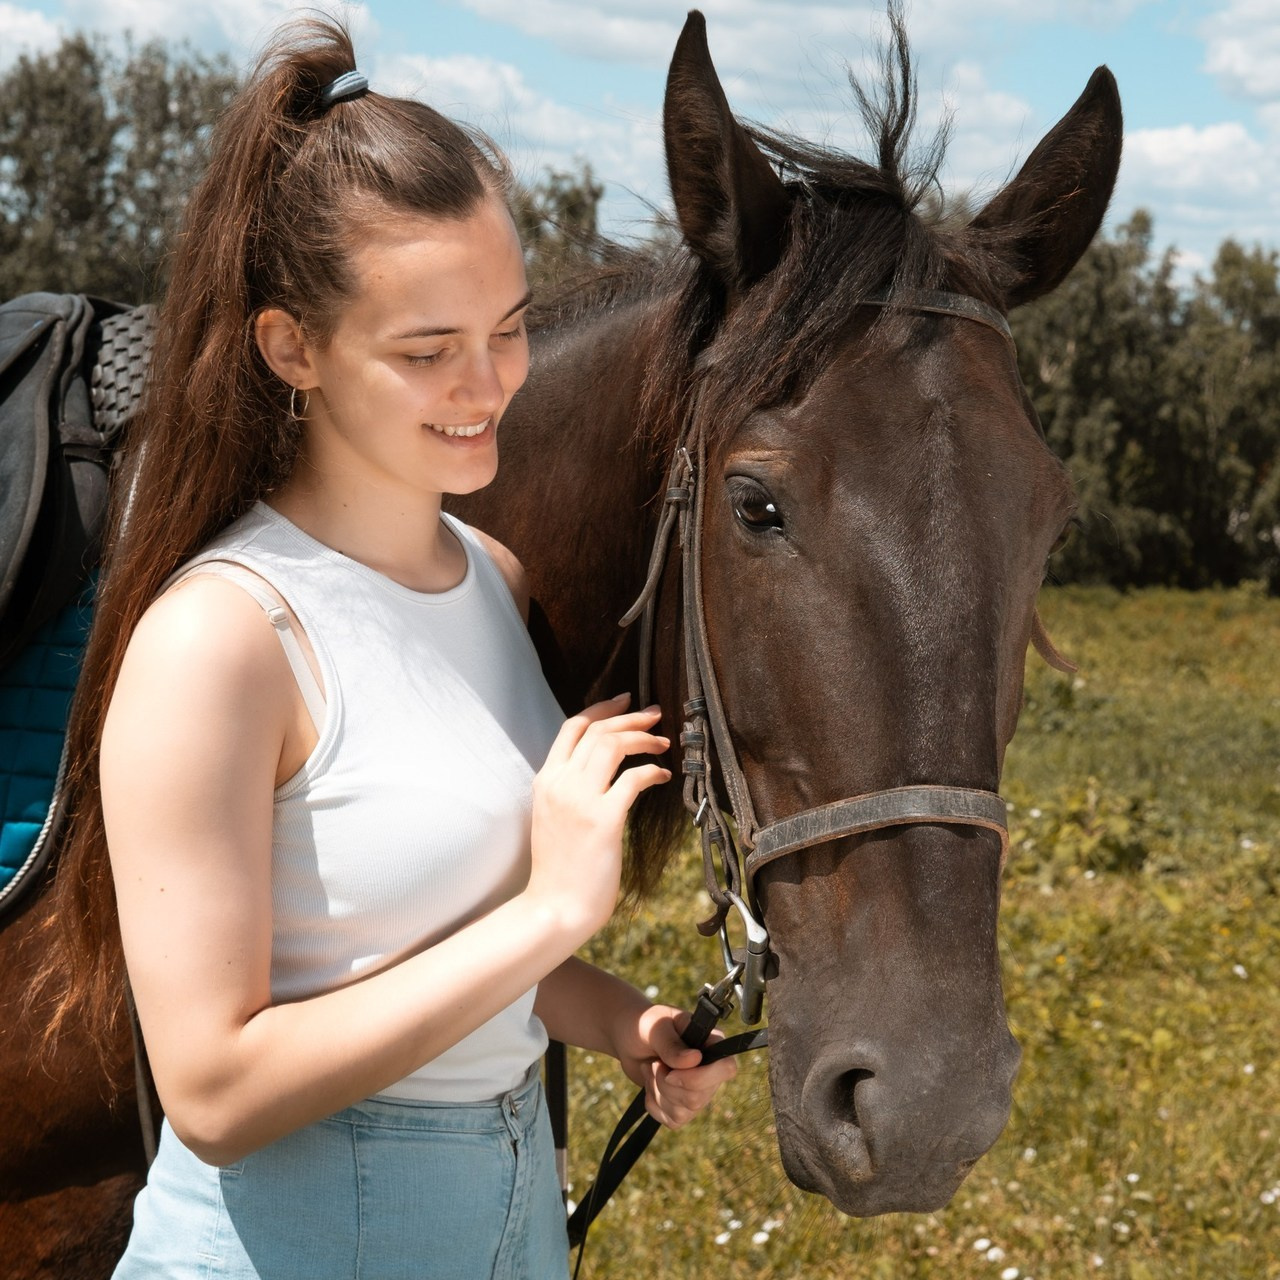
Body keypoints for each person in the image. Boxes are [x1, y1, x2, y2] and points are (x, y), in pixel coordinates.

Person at [46, 17, 736, 1279]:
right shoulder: (223, 638)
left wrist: (615, 1014)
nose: (487, 385)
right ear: (290, 349)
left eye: (510, 327)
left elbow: (450, 939)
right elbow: (211, 1086)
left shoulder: (491, 582)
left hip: (510, 1223)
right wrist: (551, 913)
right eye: (426, 350)